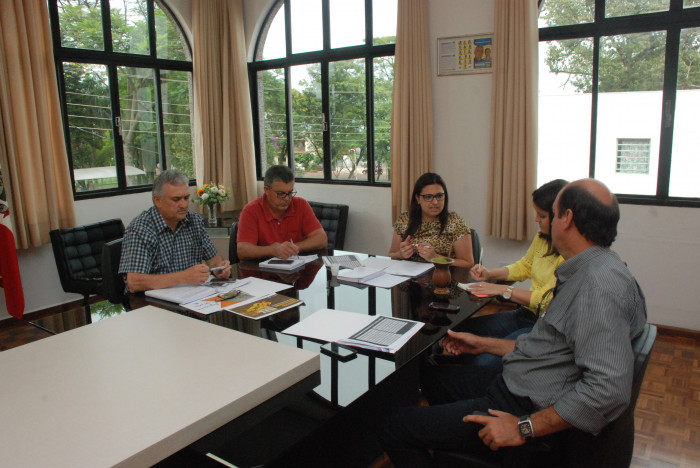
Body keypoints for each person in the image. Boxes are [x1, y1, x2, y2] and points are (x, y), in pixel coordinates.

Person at [380, 179, 647, 467]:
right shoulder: (593, 269)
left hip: (524, 404)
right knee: (428, 375)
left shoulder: (599, 287)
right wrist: (483, 344)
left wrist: (524, 426)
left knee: (393, 425)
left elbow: (608, 390)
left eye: (551, 214)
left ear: (566, 219)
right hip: (521, 380)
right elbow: (554, 347)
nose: (540, 220)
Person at [448, 179, 568, 368]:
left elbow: (545, 300)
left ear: (561, 218)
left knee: (485, 361)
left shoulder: (569, 253)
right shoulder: (543, 238)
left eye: (541, 216)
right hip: (526, 314)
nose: (536, 219)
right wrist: (489, 274)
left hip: (544, 325)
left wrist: (503, 291)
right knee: (462, 331)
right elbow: (525, 267)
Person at [119, 170, 231, 293]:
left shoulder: (194, 220)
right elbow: (135, 282)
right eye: (176, 199)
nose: (183, 205)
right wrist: (183, 277)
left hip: (191, 297)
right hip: (151, 304)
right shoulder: (141, 229)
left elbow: (213, 258)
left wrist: (219, 268)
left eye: (186, 198)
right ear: (157, 200)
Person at [237, 165, 327, 261]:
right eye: (280, 194)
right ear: (267, 190)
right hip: (260, 271)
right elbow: (242, 250)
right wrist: (272, 250)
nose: (287, 199)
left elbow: (322, 239)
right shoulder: (251, 210)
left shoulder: (301, 204)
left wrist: (291, 248)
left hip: (296, 269)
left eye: (290, 193)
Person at [388, 173, 474, 268]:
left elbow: (467, 262)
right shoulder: (404, 220)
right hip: (409, 278)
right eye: (428, 197)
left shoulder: (455, 221)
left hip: (443, 277)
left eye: (439, 196)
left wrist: (436, 257)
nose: (435, 202)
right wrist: (400, 254)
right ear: (418, 198)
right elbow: (391, 254)